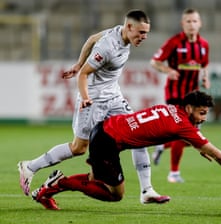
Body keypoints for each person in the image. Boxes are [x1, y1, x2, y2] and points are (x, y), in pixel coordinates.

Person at [18, 9, 170, 204]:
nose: (144, 37)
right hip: (94, 99)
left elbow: (91, 38)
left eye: (146, 33)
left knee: (138, 135)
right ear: (129, 27)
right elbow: (83, 75)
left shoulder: (118, 32)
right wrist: (86, 96)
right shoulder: (108, 47)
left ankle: (147, 191)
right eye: (141, 32)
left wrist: (78, 62)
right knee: (79, 148)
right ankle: (30, 167)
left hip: (114, 97)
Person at [31, 90, 221, 210]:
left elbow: (166, 129)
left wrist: (195, 145)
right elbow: (217, 153)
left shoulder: (171, 109)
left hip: (106, 131)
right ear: (189, 108)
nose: (203, 118)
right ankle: (58, 184)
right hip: (108, 142)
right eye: (201, 113)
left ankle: (49, 190)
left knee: (96, 180)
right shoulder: (183, 125)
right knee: (115, 195)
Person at [150, 8, 210, 183]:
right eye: (188, 21)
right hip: (175, 95)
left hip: (193, 97)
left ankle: (162, 145)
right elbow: (154, 62)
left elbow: (205, 65)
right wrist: (168, 70)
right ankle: (173, 174)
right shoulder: (174, 42)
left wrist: (205, 78)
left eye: (194, 21)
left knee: (191, 139)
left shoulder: (204, 45)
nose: (192, 24)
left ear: (200, 23)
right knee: (183, 133)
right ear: (182, 24)